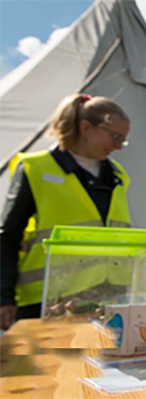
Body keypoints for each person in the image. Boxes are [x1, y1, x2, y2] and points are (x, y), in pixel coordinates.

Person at [0, 94, 131, 330]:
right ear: (85, 127)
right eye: (115, 137)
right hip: (46, 303)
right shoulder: (36, 168)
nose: (119, 146)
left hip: (106, 302)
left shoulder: (118, 176)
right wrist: (3, 296)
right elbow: (7, 237)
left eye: (123, 140)